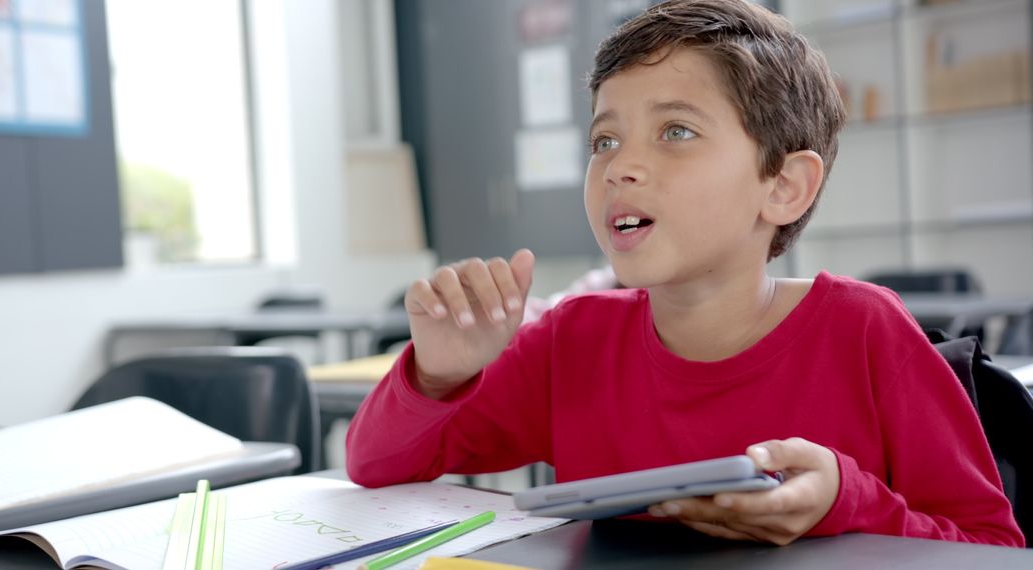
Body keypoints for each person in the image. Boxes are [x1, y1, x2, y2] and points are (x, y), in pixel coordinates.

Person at [346, 0, 1024, 547]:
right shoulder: (571, 341)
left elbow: (991, 546)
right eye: (604, 140)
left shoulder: (866, 330)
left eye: (675, 131)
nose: (620, 167)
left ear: (785, 186)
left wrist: (846, 503)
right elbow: (376, 467)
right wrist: (438, 376)